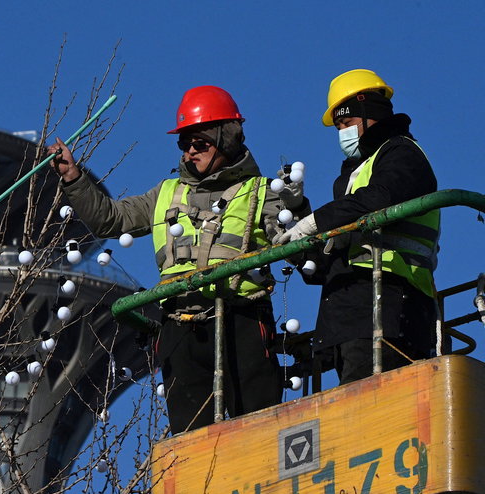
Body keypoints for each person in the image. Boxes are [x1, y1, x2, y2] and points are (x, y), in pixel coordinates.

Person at [48, 86, 305, 433]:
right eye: (184, 144)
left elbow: (298, 245)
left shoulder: (262, 192)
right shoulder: (166, 193)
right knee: (190, 440)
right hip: (180, 329)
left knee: (258, 428)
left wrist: (297, 208)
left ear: (226, 139)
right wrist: (73, 178)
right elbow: (111, 219)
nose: (189, 152)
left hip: (241, 321)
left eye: (200, 143)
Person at [277, 69, 439, 384]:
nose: (342, 134)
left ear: (369, 115)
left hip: (392, 308)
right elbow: (329, 263)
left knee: (377, 413)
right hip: (352, 316)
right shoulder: (356, 173)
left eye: (346, 124)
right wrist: (298, 216)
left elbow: (380, 197)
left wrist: (314, 222)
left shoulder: (403, 153)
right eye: (338, 127)